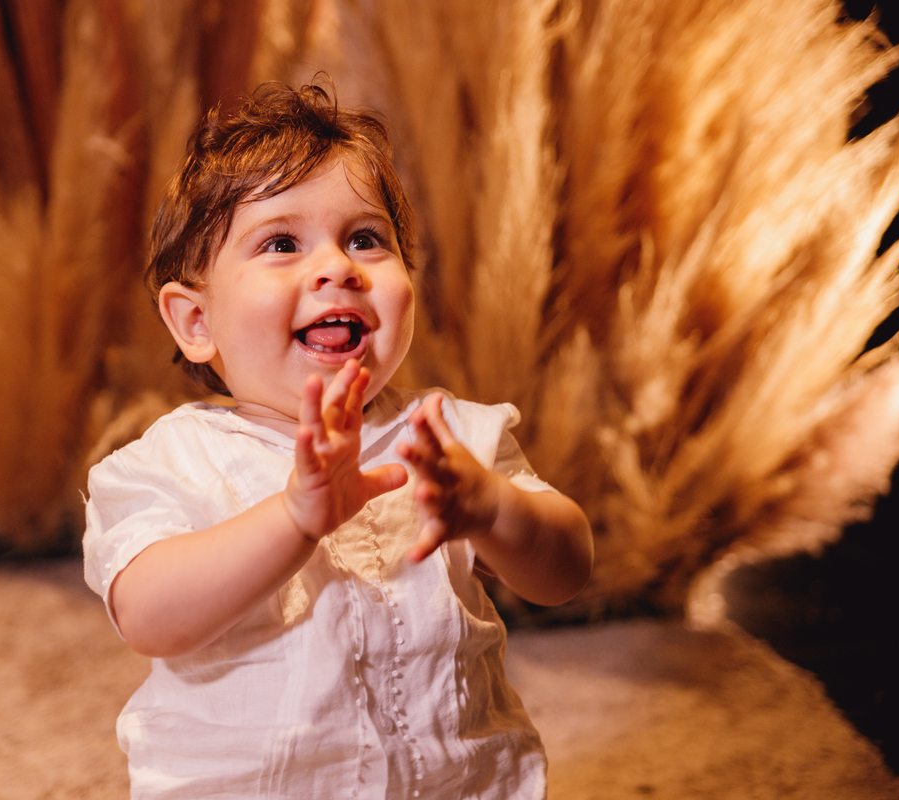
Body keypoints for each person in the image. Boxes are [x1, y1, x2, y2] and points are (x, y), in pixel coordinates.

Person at [83, 80, 594, 800]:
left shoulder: (447, 438)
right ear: (196, 322)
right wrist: (294, 518)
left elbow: (567, 570)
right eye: (282, 243)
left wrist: (493, 508)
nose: (337, 268)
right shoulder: (169, 461)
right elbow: (147, 615)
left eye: (365, 238)